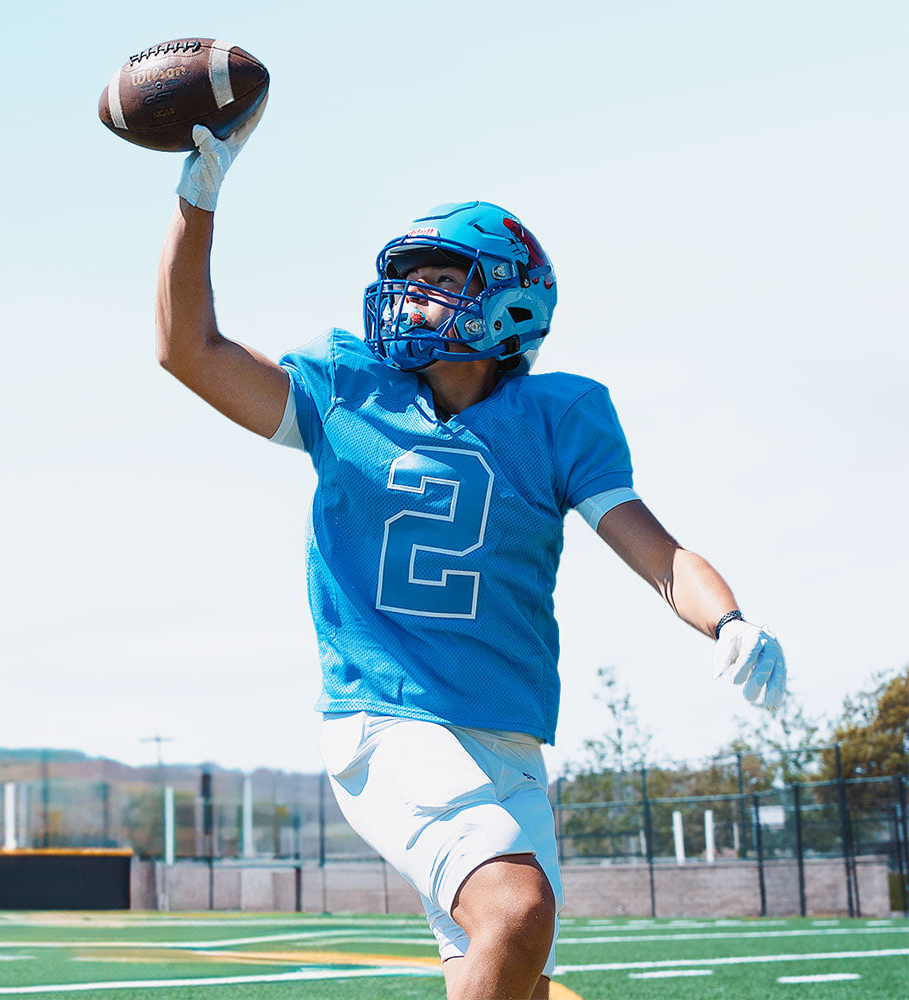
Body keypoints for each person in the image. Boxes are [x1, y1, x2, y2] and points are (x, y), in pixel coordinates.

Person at [156, 110, 787, 1000]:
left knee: (513, 970)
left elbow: (656, 548)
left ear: (511, 299)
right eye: (405, 282)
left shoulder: (559, 416)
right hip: (389, 716)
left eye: (441, 280)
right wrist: (198, 200)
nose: (411, 299)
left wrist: (728, 617)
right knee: (516, 907)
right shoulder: (347, 393)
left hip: (509, 735)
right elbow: (189, 349)